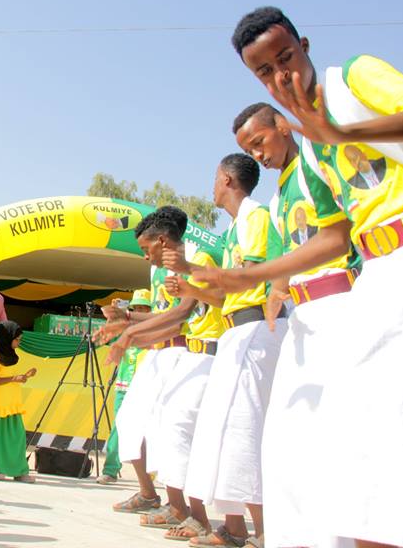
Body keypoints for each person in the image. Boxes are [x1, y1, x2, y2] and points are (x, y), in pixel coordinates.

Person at [221, 6, 403, 548]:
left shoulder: (353, 80)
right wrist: (255, 276)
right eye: (264, 72)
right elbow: (335, 236)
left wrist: (344, 132)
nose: (281, 75)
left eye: (286, 58)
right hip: (379, 274)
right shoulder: (315, 145)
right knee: (358, 436)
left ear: (305, 46)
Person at [189, 100, 357, 548]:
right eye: (250, 150)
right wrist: (275, 291)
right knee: (286, 436)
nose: (259, 155)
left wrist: (256, 284)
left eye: (259, 142)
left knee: (327, 430)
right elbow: (284, 261)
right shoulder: (282, 195)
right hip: (300, 315)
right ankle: (284, 533)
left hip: (335, 305)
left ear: (283, 125)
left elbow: (338, 236)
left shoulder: (315, 164)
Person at [168, 154, 284, 548]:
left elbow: (247, 278)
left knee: (246, 429)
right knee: (226, 432)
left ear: (227, 179)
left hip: (256, 327)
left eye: (215, 178)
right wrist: (193, 286)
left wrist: (190, 269)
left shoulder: (255, 217)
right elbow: (224, 297)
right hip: (237, 329)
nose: (213, 186)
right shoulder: (235, 227)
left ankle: (264, 531)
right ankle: (235, 528)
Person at [95, 209, 188, 516]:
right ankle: (148, 494)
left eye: (147, 249)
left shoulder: (187, 264)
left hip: (181, 352)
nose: (146, 257)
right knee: (128, 421)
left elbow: (178, 318)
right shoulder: (156, 270)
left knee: (170, 430)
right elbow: (160, 315)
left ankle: (179, 506)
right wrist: (125, 320)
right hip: (158, 352)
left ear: (163, 239)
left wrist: (129, 330)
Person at [97, 289, 151, 485]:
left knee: (150, 428)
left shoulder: (157, 329)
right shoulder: (125, 328)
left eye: (144, 308)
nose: (140, 312)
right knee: (120, 426)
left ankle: (151, 473)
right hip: (124, 386)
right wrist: (114, 316)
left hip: (147, 386)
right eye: (136, 308)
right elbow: (109, 338)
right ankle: (110, 470)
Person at [0, 320, 36, 483]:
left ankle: (19, 471)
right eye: (17, 339)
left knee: (16, 439)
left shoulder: (13, 357)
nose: (18, 343)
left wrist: (25, 376)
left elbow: (12, 377)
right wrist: (14, 378)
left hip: (13, 404)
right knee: (0, 441)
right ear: (6, 338)